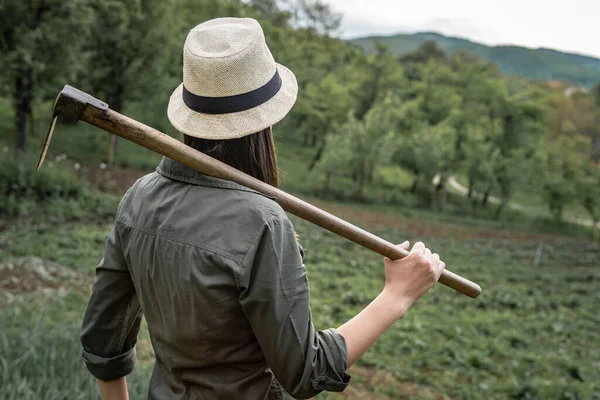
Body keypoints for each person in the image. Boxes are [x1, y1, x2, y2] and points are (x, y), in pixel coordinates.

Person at [80, 17, 446, 400]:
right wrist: (397, 295)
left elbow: (104, 344)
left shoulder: (138, 197)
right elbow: (306, 371)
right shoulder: (262, 222)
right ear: (266, 123)